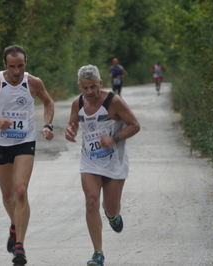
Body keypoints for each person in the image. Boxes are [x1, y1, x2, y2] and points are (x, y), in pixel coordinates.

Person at [0, 45, 54, 265]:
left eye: (21, 66)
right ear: (5, 65)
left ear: (26, 63)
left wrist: (48, 125)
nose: (17, 71)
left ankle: (20, 248)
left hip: (25, 141)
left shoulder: (33, 82)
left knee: (20, 191)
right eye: (12, 66)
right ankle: (15, 225)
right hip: (0, 143)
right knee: (8, 197)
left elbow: (48, 102)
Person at [65, 65, 140, 266]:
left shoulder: (114, 102)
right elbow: (73, 123)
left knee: (111, 207)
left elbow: (135, 125)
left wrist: (114, 138)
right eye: (85, 88)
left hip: (114, 161)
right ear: (79, 86)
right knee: (91, 201)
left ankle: (112, 215)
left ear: (100, 83)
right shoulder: (77, 103)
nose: (89, 92)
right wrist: (70, 131)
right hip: (89, 161)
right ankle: (98, 253)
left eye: (93, 87)